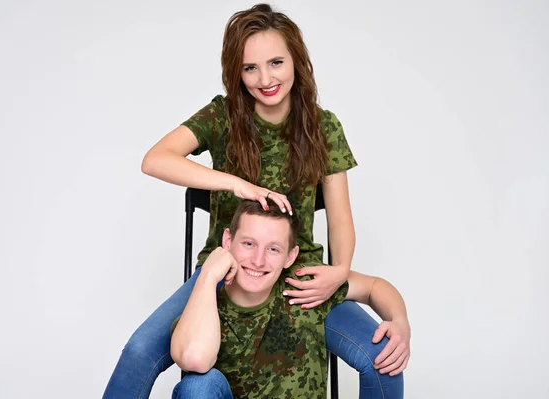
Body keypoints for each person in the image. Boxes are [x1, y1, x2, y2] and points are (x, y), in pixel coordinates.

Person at [103, 4, 410, 399]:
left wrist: (340, 270)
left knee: (382, 356)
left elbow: (340, 216)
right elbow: (155, 159)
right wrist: (235, 184)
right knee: (139, 352)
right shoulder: (223, 115)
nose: (265, 79)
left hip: (296, 272)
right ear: (236, 71)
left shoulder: (323, 126)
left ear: (296, 60)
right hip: (228, 266)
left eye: (276, 62)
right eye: (250, 68)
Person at [170, 199, 409, 399]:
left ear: (290, 256)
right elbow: (194, 359)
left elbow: (373, 287)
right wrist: (209, 275)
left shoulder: (304, 286)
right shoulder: (204, 308)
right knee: (196, 386)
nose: (258, 260)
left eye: (273, 249)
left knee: (386, 354)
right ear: (227, 242)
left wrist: (399, 321)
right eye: (248, 244)